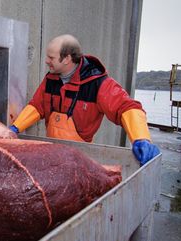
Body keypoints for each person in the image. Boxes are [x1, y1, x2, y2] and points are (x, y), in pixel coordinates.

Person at [9, 34, 160, 166]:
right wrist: (16, 128)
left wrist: (141, 138)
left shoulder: (98, 83)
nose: (46, 61)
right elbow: (37, 106)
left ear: (67, 58)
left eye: (51, 57)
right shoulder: (50, 79)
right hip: (53, 152)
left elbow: (127, 107)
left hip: (80, 158)